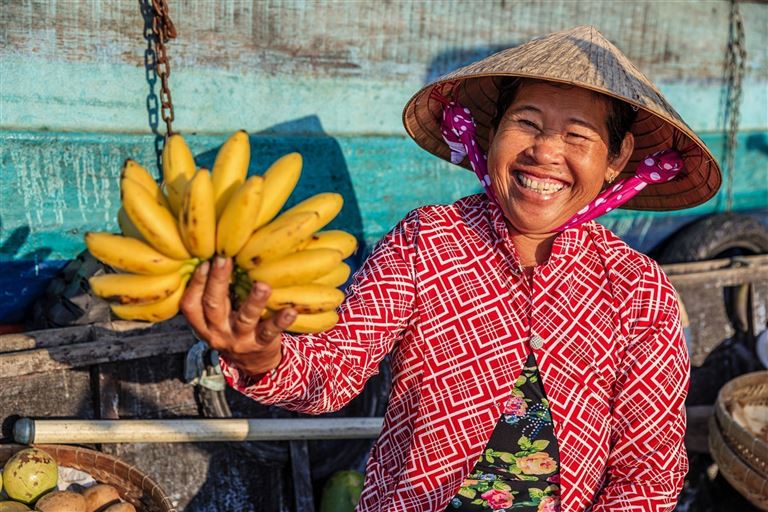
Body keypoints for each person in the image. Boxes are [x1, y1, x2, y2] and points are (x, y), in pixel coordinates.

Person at [180, 26, 721, 512]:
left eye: (578, 137)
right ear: (492, 135)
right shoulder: (428, 240)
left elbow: (646, 476)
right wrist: (261, 357)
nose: (545, 152)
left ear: (617, 160)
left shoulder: (638, 288)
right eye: (527, 123)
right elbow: (334, 371)